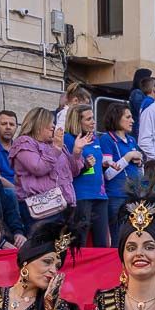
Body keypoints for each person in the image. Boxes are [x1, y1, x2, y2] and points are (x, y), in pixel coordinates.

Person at [9, 107, 86, 225]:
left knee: (63, 243)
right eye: (49, 123)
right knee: (43, 243)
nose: (53, 127)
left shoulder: (55, 144)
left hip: (64, 205)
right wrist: (55, 149)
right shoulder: (24, 142)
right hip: (41, 209)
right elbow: (38, 168)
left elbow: (73, 172)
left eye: (53, 123)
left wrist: (77, 152)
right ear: (38, 125)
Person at [61, 105, 109, 247]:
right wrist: (85, 166)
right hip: (81, 196)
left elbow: (97, 165)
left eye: (93, 118)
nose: (93, 122)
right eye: (89, 119)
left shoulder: (95, 138)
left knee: (102, 243)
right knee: (79, 241)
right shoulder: (68, 139)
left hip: (100, 195)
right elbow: (67, 169)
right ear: (77, 121)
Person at [98, 102, 143, 240]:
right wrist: (128, 157)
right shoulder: (106, 139)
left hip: (135, 195)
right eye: (128, 117)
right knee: (119, 237)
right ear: (117, 118)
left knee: (136, 236)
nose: (132, 120)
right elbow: (108, 174)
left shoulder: (131, 140)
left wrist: (140, 161)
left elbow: (139, 167)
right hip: (117, 196)